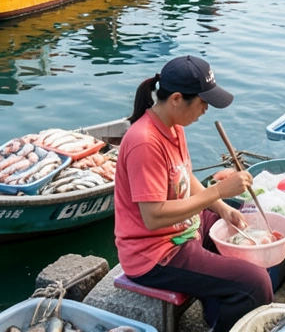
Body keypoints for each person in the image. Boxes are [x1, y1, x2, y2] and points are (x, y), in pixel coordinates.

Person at [115, 56, 271, 332]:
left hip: (184, 228)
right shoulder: (144, 142)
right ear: (177, 98)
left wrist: (222, 206)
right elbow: (152, 217)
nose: (205, 109)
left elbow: (185, 178)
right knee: (255, 283)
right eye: (202, 102)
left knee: (243, 215)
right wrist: (218, 190)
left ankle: (216, 316)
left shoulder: (174, 127)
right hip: (156, 253)